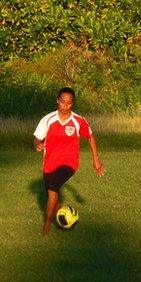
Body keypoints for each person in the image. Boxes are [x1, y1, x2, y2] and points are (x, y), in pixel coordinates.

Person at [33, 87, 104, 235]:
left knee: (52, 192)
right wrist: (37, 144)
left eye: (69, 103)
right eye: (62, 102)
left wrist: (96, 160)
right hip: (49, 164)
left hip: (69, 163)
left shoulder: (78, 121)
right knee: (53, 193)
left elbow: (90, 136)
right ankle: (62, 219)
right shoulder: (48, 119)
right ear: (57, 101)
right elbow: (37, 138)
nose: (65, 106)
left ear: (73, 104)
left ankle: (46, 227)